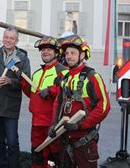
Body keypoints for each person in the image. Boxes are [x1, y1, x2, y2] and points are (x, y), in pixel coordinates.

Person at [50, 35, 110, 167]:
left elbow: (104, 106)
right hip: (65, 140)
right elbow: (58, 103)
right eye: (66, 53)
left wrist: (81, 125)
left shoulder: (92, 77)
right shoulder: (65, 78)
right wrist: (53, 124)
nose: (68, 56)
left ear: (82, 55)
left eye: (73, 53)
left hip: (84, 142)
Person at [0, 26, 31, 168]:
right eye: (6, 37)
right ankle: (0, 165)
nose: (8, 40)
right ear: (3, 38)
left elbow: (26, 81)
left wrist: (10, 81)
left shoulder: (22, 58)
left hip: (11, 106)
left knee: (12, 141)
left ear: (16, 41)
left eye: (12, 38)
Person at [20, 36, 67, 168]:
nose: (45, 52)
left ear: (56, 52)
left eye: (48, 49)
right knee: (37, 155)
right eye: (42, 50)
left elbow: (66, 91)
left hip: (52, 124)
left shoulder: (62, 71)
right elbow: (32, 94)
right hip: (36, 123)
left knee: (54, 158)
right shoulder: (37, 73)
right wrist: (23, 81)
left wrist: (51, 90)